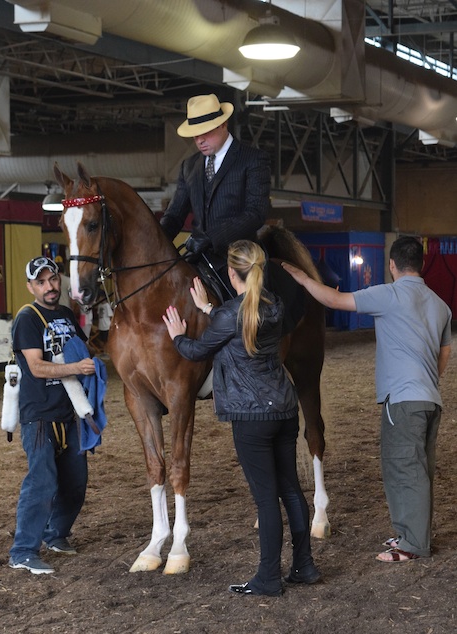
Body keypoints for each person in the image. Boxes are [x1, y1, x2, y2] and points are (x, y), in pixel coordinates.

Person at [163, 239, 321, 596]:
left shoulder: (229, 315)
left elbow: (196, 350)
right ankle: (304, 566)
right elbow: (239, 324)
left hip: (251, 418)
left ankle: (268, 577)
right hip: (283, 407)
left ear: (231, 273)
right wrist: (208, 308)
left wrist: (176, 336)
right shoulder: (275, 306)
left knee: (266, 500)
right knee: (291, 490)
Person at [282, 235, 452, 563]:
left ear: (392, 265)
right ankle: (412, 534)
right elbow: (443, 357)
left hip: (403, 401)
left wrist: (303, 278)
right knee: (420, 470)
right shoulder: (440, 305)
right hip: (430, 399)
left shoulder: (388, 295)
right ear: (421, 264)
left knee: (403, 469)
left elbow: (334, 299)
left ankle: (412, 545)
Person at [8, 256, 96, 575]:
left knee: (75, 482)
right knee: (41, 482)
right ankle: (22, 551)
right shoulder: (27, 319)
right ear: (31, 286)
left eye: (53, 280)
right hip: (40, 415)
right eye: (41, 282)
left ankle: (56, 535)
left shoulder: (66, 314)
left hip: (68, 412)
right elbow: (36, 366)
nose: (49, 287)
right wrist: (75, 368)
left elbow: (83, 351)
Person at [160, 93, 271, 296]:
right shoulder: (189, 166)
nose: (199, 140)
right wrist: (155, 240)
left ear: (223, 124)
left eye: (206, 132)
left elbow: (257, 212)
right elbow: (175, 215)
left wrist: (211, 237)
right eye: (195, 134)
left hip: (242, 261)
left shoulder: (253, 160)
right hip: (199, 259)